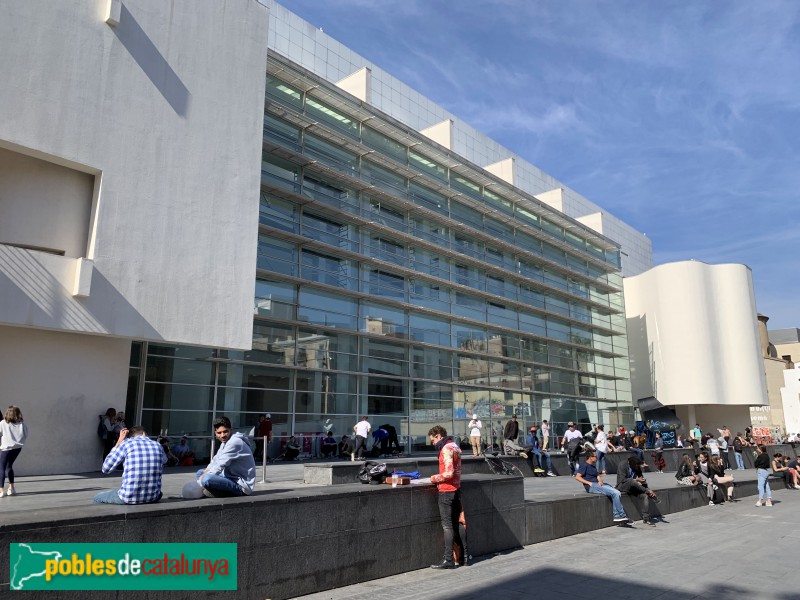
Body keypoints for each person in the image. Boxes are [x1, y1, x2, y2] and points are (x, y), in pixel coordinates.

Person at [93, 426, 166, 504]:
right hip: (154, 496)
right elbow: (165, 460)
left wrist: (119, 441)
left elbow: (105, 468)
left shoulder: (126, 444)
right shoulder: (157, 445)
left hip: (128, 497)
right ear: (144, 433)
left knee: (97, 497)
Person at [427, 425, 464, 569]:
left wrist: (434, 478)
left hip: (446, 490)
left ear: (438, 436)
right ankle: (463, 557)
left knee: (447, 526)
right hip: (456, 489)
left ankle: (448, 560)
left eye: (433, 440)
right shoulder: (455, 446)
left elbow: (449, 473)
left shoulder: (446, 449)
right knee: (457, 524)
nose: (433, 444)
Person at [196, 416, 256, 498]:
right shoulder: (225, 442)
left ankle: (219, 491)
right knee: (200, 472)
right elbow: (215, 460)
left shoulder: (235, 442)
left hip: (241, 486)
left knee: (207, 479)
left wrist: (202, 480)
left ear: (231, 430)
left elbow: (220, 465)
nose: (222, 435)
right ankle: (216, 491)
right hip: (229, 477)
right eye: (219, 433)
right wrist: (204, 473)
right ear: (215, 433)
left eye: (225, 431)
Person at [575, 449, 631, 524]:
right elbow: (577, 477)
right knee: (616, 493)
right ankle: (620, 515)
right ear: (590, 457)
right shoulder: (584, 466)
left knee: (616, 492)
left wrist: (600, 481)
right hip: (592, 486)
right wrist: (589, 483)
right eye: (595, 456)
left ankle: (618, 516)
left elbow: (597, 476)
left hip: (598, 484)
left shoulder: (593, 466)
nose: (597, 458)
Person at [616, 456, 659, 527]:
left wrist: (648, 488)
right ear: (631, 463)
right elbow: (622, 480)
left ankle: (646, 518)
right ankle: (647, 491)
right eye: (636, 466)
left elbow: (641, 479)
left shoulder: (637, 466)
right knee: (632, 481)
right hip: (622, 486)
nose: (637, 467)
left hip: (634, 487)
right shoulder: (622, 465)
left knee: (645, 496)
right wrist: (636, 480)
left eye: (638, 466)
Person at [0, 406, 29, 498]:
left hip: (6, 449)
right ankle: (11, 488)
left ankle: (1, 490)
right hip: (17, 448)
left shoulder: (2, 423)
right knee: (9, 466)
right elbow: (26, 434)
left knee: (1, 468)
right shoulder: (21, 423)